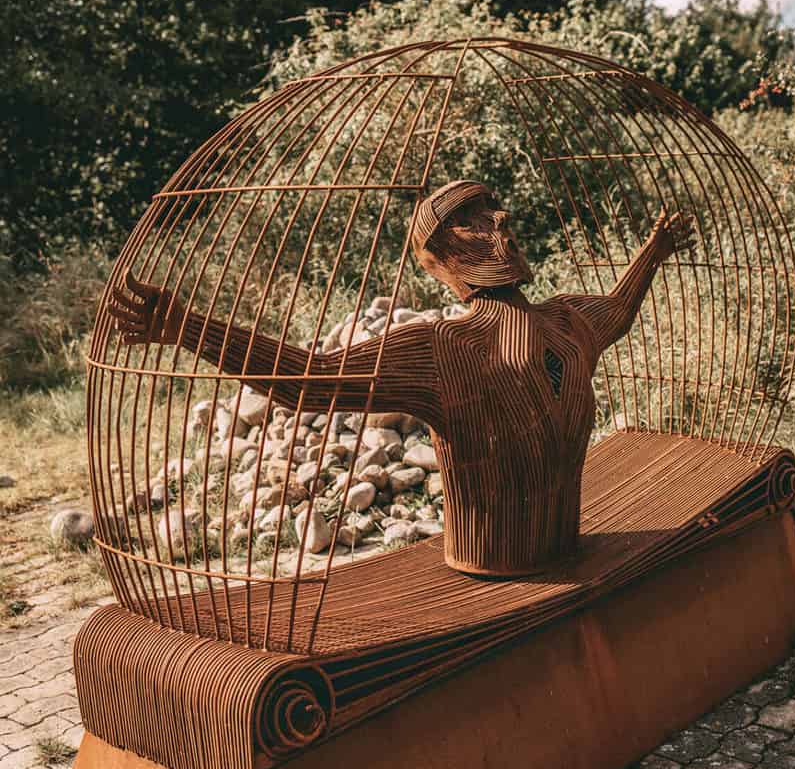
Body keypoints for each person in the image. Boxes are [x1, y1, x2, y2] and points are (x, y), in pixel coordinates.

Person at [103, 179, 695, 578]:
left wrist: (653, 252)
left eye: (491, 208)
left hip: (563, 552)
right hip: (487, 563)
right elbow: (308, 378)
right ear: (441, 255)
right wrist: (187, 326)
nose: (499, 220)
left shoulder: (568, 319)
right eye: (471, 220)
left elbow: (617, 308)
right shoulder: (441, 348)